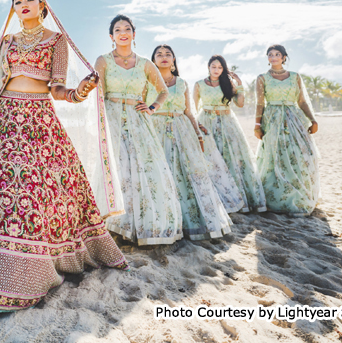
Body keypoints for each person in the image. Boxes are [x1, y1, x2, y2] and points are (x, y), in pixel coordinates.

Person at [0, 0, 128, 312]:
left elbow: (58, 89)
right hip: (3, 119)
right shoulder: (7, 42)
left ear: (42, 4)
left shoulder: (56, 41)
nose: (23, 4)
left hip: (39, 121)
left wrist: (80, 92)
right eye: (17, 1)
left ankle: (29, 268)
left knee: (36, 195)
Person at [95, 15, 183, 246]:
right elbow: (98, 95)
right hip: (111, 118)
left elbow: (163, 91)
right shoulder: (103, 61)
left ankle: (139, 224)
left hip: (138, 120)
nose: (122, 32)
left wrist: (152, 107)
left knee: (143, 168)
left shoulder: (145, 63)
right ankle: (112, 225)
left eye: (127, 29)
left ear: (134, 34)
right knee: (117, 168)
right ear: (111, 36)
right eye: (117, 29)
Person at [146, 45, 233, 240]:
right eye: (159, 55)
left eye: (168, 54)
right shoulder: (146, 81)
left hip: (181, 130)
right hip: (156, 130)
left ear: (174, 60)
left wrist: (197, 133)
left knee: (186, 173)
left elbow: (188, 112)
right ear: (153, 60)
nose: (164, 57)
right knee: (160, 172)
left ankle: (188, 221)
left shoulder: (182, 83)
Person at [194, 55, 267, 213]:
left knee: (232, 158)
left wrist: (239, 85)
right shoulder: (199, 84)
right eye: (214, 66)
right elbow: (194, 108)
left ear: (223, 69)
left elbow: (240, 104)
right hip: (206, 122)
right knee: (210, 159)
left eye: (220, 67)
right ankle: (216, 197)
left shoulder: (228, 84)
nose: (216, 70)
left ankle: (237, 198)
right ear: (208, 67)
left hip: (227, 122)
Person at [255, 45, 320, 215]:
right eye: (270, 55)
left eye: (277, 54)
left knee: (300, 155)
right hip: (273, 120)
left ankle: (301, 194)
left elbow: (302, 101)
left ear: (284, 57)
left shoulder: (295, 77)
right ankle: (276, 198)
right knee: (275, 156)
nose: (274, 57)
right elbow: (260, 103)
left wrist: (312, 119)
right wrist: (257, 125)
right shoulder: (262, 78)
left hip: (295, 120)